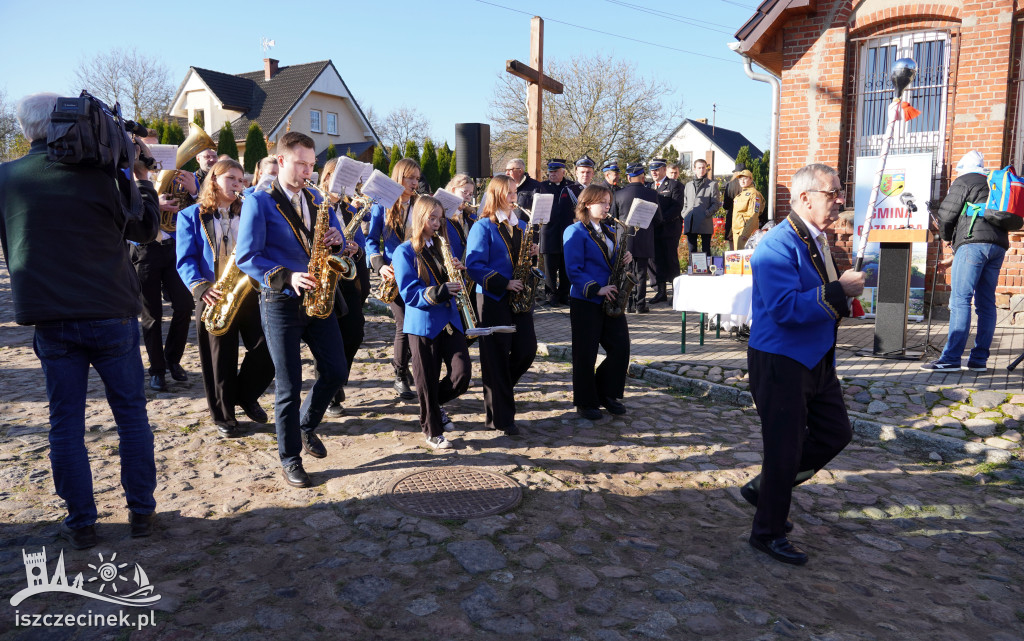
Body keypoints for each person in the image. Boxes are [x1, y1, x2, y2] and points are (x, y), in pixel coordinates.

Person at [0, 92, 161, 548]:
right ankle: (142, 514)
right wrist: (141, 175)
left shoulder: (6, 177)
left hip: (51, 317)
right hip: (111, 312)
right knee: (131, 416)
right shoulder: (103, 177)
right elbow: (147, 229)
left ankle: (82, 524)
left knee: (64, 423)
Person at [741, 163, 864, 565]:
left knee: (835, 433)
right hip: (781, 359)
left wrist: (846, 296)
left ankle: (764, 490)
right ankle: (768, 531)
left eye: (840, 192)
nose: (840, 200)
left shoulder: (818, 240)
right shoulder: (777, 244)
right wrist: (837, 290)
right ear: (806, 197)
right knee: (784, 449)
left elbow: (825, 297)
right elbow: (783, 309)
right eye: (833, 193)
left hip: (816, 358)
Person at [235, 131, 352, 489]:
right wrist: (287, 277)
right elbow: (247, 257)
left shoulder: (317, 198)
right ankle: (290, 457)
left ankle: (304, 425)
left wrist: (338, 241)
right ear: (282, 160)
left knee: (335, 370)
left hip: (319, 297)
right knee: (288, 384)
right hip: (280, 302)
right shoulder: (259, 201)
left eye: (311, 164)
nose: (308, 171)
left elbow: (337, 241)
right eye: (301, 163)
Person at [176, 159, 275, 436]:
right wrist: (200, 287)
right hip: (212, 293)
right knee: (219, 359)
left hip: (248, 289)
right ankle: (224, 416)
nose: (237, 184)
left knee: (267, 347)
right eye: (231, 178)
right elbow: (185, 260)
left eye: (241, 180)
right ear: (214, 180)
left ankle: (245, 394)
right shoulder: (190, 216)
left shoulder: (249, 212)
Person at [394, 196, 473, 449]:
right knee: (426, 379)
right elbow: (408, 292)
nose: (438, 223)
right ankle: (432, 430)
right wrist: (440, 290)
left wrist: (458, 272)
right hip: (423, 324)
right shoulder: (404, 250)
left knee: (461, 374)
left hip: (450, 320)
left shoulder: (442, 246)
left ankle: (432, 405)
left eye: (440, 218)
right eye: (432, 218)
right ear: (420, 218)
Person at [465, 175, 539, 436]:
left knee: (527, 350)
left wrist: (532, 256)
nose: (514, 196)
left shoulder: (522, 226)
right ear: (496, 194)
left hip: (519, 298)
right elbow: (474, 265)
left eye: (515, 192)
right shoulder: (482, 226)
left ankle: (499, 392)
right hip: (493, 298)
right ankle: (500, 418)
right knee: (495, 358)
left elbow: (524, 263)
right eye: (508, 192)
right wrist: (504, 283)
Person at [922, 151, 1006, 372]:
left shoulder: (965, 180)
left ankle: (950, 359)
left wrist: (948, 237)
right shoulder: (992, 184)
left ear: (962, 168)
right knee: (986, 304)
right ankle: (979, 360)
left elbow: (947, 214)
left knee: (960, 300)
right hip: (997, 247)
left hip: (972, 245)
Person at [563, 185, 632, 420]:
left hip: (610, 297)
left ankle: (606, 392)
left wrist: (624, 259)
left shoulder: (610, 231)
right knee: (585, 353)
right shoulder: (574, 231)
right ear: (586, 203)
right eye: (601, 201)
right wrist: (596, 289)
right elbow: (573, 270)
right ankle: (585, 401)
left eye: (608, 201)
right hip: (586, 299)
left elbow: (610, 262)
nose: (607, 206)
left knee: (620, 347)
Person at [366, 159, 421, 401]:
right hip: (394, 274)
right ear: (398, 178)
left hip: (421, 273)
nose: (414, 183)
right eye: (410, 177)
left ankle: (405, 365)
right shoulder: (382, 204)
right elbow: (371, 241)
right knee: (403, 324)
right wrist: (379, 266)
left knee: (415, 324)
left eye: (417, 178)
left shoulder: (421, 204)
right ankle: (399, 374)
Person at [318, 158, 369, 417]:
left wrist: (356, 248)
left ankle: (337, 379)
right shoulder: (317, 205)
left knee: (355, 333)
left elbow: (361, 242)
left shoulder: (350, 210)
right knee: (328, 336)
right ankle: (330, 393)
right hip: (326, 277)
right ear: (327, 178)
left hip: (348, 277)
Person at [611, 163, 661, 313]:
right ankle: (640, 305)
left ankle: (627, 303)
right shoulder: (652, 194)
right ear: (642, 177)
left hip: (624, 239)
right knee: (641, 271)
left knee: (626, 271)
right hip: (644, 238)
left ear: (628, 177)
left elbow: (613, 218)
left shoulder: (618, 194)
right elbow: (658, 219)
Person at [647, 158, 684, 304]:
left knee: (671, 260)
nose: (654, 172)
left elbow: (676, 207)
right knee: (657, 261)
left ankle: (677, 293)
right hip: (653, 230)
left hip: (669, 229)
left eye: (657, 169)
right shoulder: (649, 186)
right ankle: (661, 292)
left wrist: (661, 220)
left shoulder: (675, 185)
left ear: (664, 169)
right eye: (652, 170)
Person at [537, 158, 575, 305]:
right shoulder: (542, 186)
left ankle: (565, 294)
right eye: (550, 172)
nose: (551, 174)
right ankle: (551, 295)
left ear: (563, 172)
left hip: (567, 232)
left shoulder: (570, 186)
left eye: (555, 172)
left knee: (566, 266)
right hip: (549, 232)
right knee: (550, 267)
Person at [682, 158, 723, 257]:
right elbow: (685, 203)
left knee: (706, 250)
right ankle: (693, 270)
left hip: (705, 221)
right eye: (699, 168)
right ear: (694, 169)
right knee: (692, 250)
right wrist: (684, 213)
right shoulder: (688, 185)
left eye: (703, 168)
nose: (701, 170)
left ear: (706, 169)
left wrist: (707, 213)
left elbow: (716, 203)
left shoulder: (712, 185)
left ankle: (708, 270)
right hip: (690, 220)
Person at [732, 169, 765, 250]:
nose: (742, 181)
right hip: (737, 232)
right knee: (738, 259)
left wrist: (746, 233)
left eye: (745, 178)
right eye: (740, 179)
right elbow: (736, 214)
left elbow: (754, 215)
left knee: (745, 257)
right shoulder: (739, 195)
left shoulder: (754, 194)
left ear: (751, 179)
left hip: (745, 232)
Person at [722, 162, 746, 249]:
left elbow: (726, 205)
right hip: (745, 218)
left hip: (732, 217)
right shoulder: (749, 185)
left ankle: (732, 262)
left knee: (731, 244)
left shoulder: (730, 185)